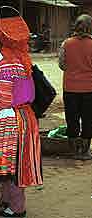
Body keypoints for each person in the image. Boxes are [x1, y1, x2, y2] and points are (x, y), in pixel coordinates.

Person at [0, 6, 43, 217]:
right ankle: (5, 199)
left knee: (11, 166)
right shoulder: (21, 58)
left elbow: (3, 99)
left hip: (11, 119)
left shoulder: (5, 64)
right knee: (8, 164)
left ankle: (17, 207)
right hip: (23, 116)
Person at [58, 14, 92, 160]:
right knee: (88, 119)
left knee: (71, 118)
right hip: (89, 89)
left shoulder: (66, 43)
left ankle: (73, 150)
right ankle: (85, 151)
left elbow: (62, 65)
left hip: (70, 87)